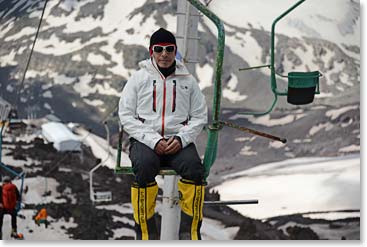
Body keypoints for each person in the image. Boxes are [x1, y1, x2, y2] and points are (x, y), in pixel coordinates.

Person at [119, 27, 208, 240]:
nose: (164, 54)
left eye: (169, 49)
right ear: (152, 52)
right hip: (146, 140)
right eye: (159, 49)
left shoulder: (188, 80)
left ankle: (190, 235)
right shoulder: (139, 79)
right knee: (143, 168)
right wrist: (153, 140)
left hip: (178, 141)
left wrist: (181, 138)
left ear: (174, 51)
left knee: (195, 170)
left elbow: (199, 116)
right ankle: (146, 235)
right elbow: (126, 115)